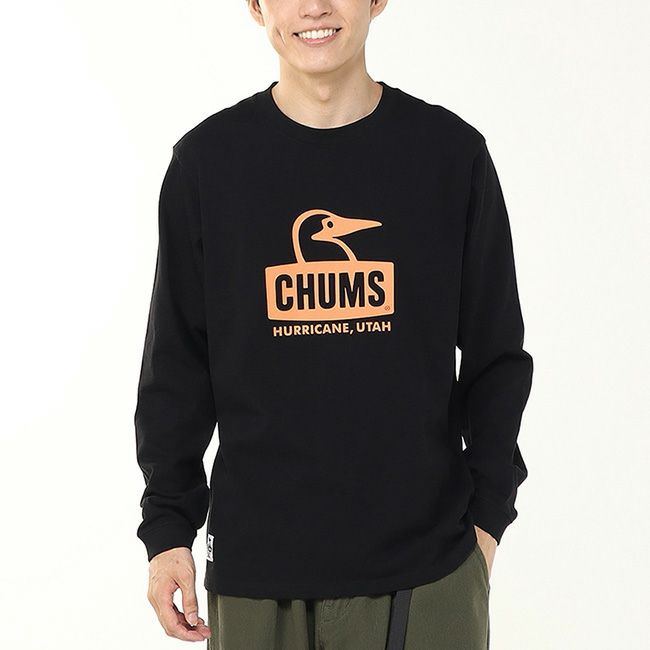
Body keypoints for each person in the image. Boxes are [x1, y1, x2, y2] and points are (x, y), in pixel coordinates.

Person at [134, 0, 534, 647]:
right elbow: (174, 371)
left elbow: (498, 358)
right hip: (256, 578)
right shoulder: (206, 167)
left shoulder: (449, 157)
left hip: (427, 574)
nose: (314, 7)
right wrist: (167, 531)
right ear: (255, 5)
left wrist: (486, 522)